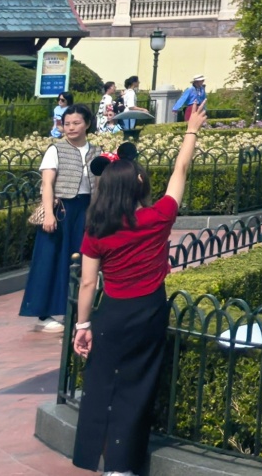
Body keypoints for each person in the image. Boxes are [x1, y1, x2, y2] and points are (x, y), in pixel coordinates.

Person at [72, 102, 208, 475]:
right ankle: (124, 466)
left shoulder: (97, 229)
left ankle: (96, 458)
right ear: (139, 184)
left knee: (102, 386)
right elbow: (180, 170)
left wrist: (83, 326)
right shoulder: (158, 217)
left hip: (113, 312)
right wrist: (191, 130)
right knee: (138, 387)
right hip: (149, 310)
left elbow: (87, 282)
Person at [24, 102, 93, 332]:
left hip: (85, 208)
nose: (71, 128)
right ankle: (44, 314)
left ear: (87, 124)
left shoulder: (96, 150)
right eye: (67, 124)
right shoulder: (56, 149)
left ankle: (73, 310)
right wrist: (49, 214)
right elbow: (47, 184)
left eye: (76, 123)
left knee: (80, 259)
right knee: (52, 258)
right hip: (61, 209)